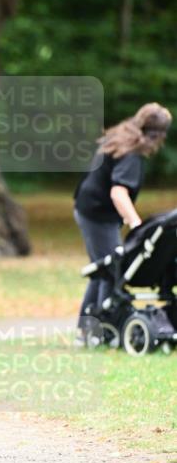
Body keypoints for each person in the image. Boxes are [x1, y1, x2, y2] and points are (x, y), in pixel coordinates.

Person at [73, 102, 172, 331]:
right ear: (158, 135)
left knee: (103, 268)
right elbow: (118, 193)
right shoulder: (132, 154)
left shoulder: (122, 136)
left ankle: (89, 328)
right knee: (113, 270)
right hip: (97, 214)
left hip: (87, 207)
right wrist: (137, 224)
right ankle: (104, 328)